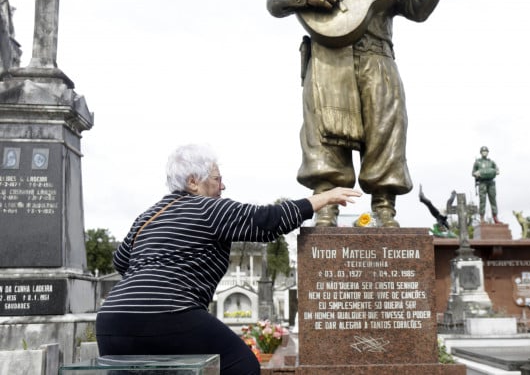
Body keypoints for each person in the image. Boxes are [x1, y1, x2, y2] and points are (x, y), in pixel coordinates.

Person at [95, 144, 361, 375]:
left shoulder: (147, 217)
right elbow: (268, 221)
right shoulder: (208, 208)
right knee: (241, 365)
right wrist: (323, 198)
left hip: (112, 321)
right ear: (193, 182)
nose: (222, 186)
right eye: (217, 178)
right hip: (169, 313)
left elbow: (122, 261)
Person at [267, 0, 450, 227]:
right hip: (326, 63)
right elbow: (275, 1)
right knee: (322, 139)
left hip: (377, 61)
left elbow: (419, 7)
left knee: (386, 130)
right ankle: (326, 208)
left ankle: (384, 208)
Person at [472, 146, 499, 223]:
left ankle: (495, 217)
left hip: (491, 182)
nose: (484, 153)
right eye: (483, 151)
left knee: (493, 200)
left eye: (486, 151)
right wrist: (476, 174)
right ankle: (482, 217)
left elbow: (497, 170)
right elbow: (473, 172)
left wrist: (496, 171)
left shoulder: (491, 162)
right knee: (482, 200)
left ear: (488, 152)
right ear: (481, 152)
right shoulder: (477, 162)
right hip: (482, 183)